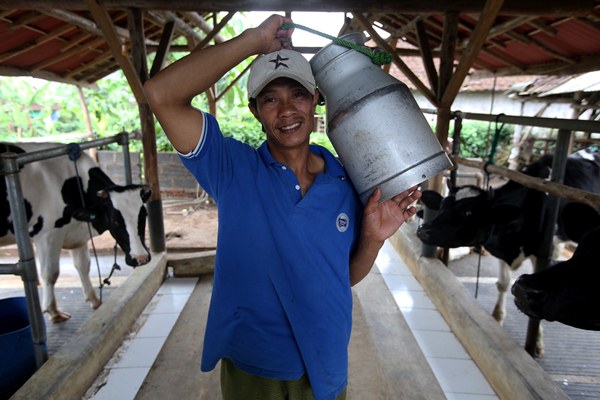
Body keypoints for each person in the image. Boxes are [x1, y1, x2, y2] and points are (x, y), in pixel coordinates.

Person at [144, 14, 421, 400]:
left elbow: (343, 277)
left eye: (298, 94)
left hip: (324, 366)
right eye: (270, 98)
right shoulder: (231, 168)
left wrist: (373, 239)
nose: (287, 109)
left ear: (316, 101)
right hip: (252, 368)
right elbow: (161, 94)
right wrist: (253, 40)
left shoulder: (348, 181)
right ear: (256, 111)